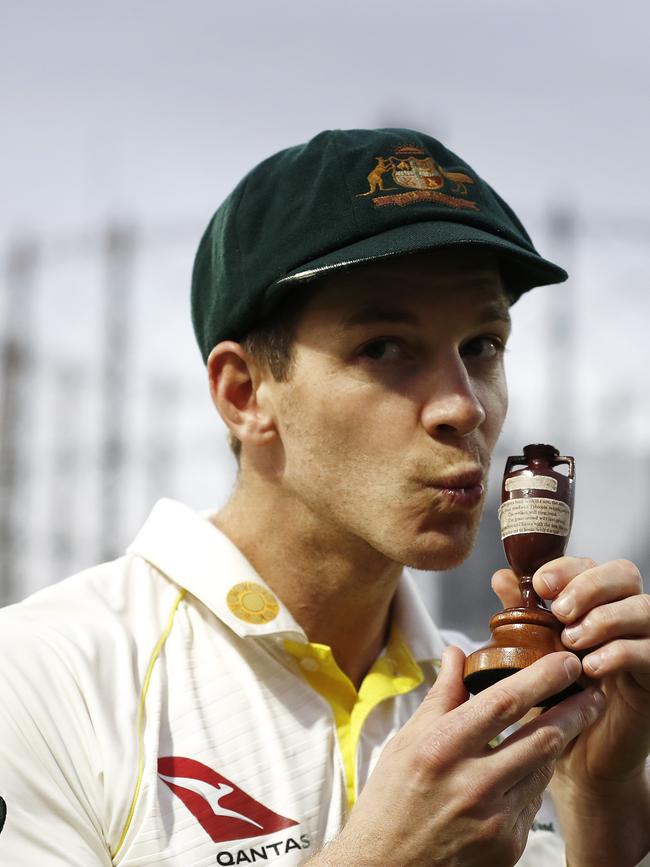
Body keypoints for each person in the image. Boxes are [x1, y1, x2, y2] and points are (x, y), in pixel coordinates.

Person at [0, 127, 649, 867]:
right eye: (383, 347)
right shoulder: (45, 676)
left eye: (483, 345)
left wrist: (603, 806)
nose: (463, 407)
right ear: (245, 394)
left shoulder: (493, 694)